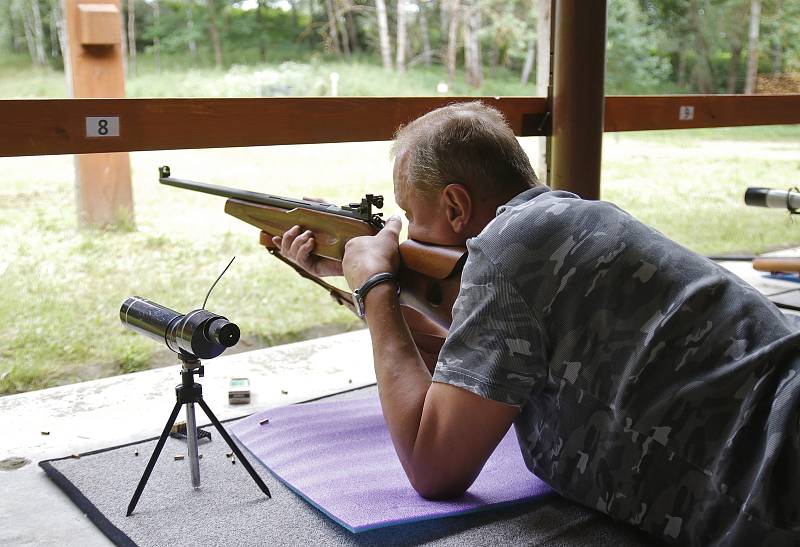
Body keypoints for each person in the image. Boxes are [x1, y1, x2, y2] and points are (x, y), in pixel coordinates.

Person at [272, 101, 800, 546]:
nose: (408, 233)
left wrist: (375, 288)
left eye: (412, 216)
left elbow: (434, 469)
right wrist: (355, 279)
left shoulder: (509, 248)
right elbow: (467, 366)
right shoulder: (566, 219)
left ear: (456, 206)